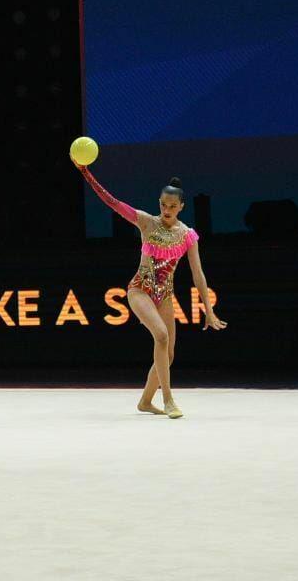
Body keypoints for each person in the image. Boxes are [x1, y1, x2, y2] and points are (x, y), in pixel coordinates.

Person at [76, 164, 226, 418]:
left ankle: (145, 401)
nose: (167, 210)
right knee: (162, 336)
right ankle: (168, 400)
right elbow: (112, 202)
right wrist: (85, 173)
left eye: (172, 206)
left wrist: (209, 311)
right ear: (159, 203)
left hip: (164, 295)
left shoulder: (187, 235)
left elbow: (198, 274)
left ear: (181, 207)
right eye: (163, 205)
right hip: (140, 290)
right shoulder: (146, 222)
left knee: (169, 355)